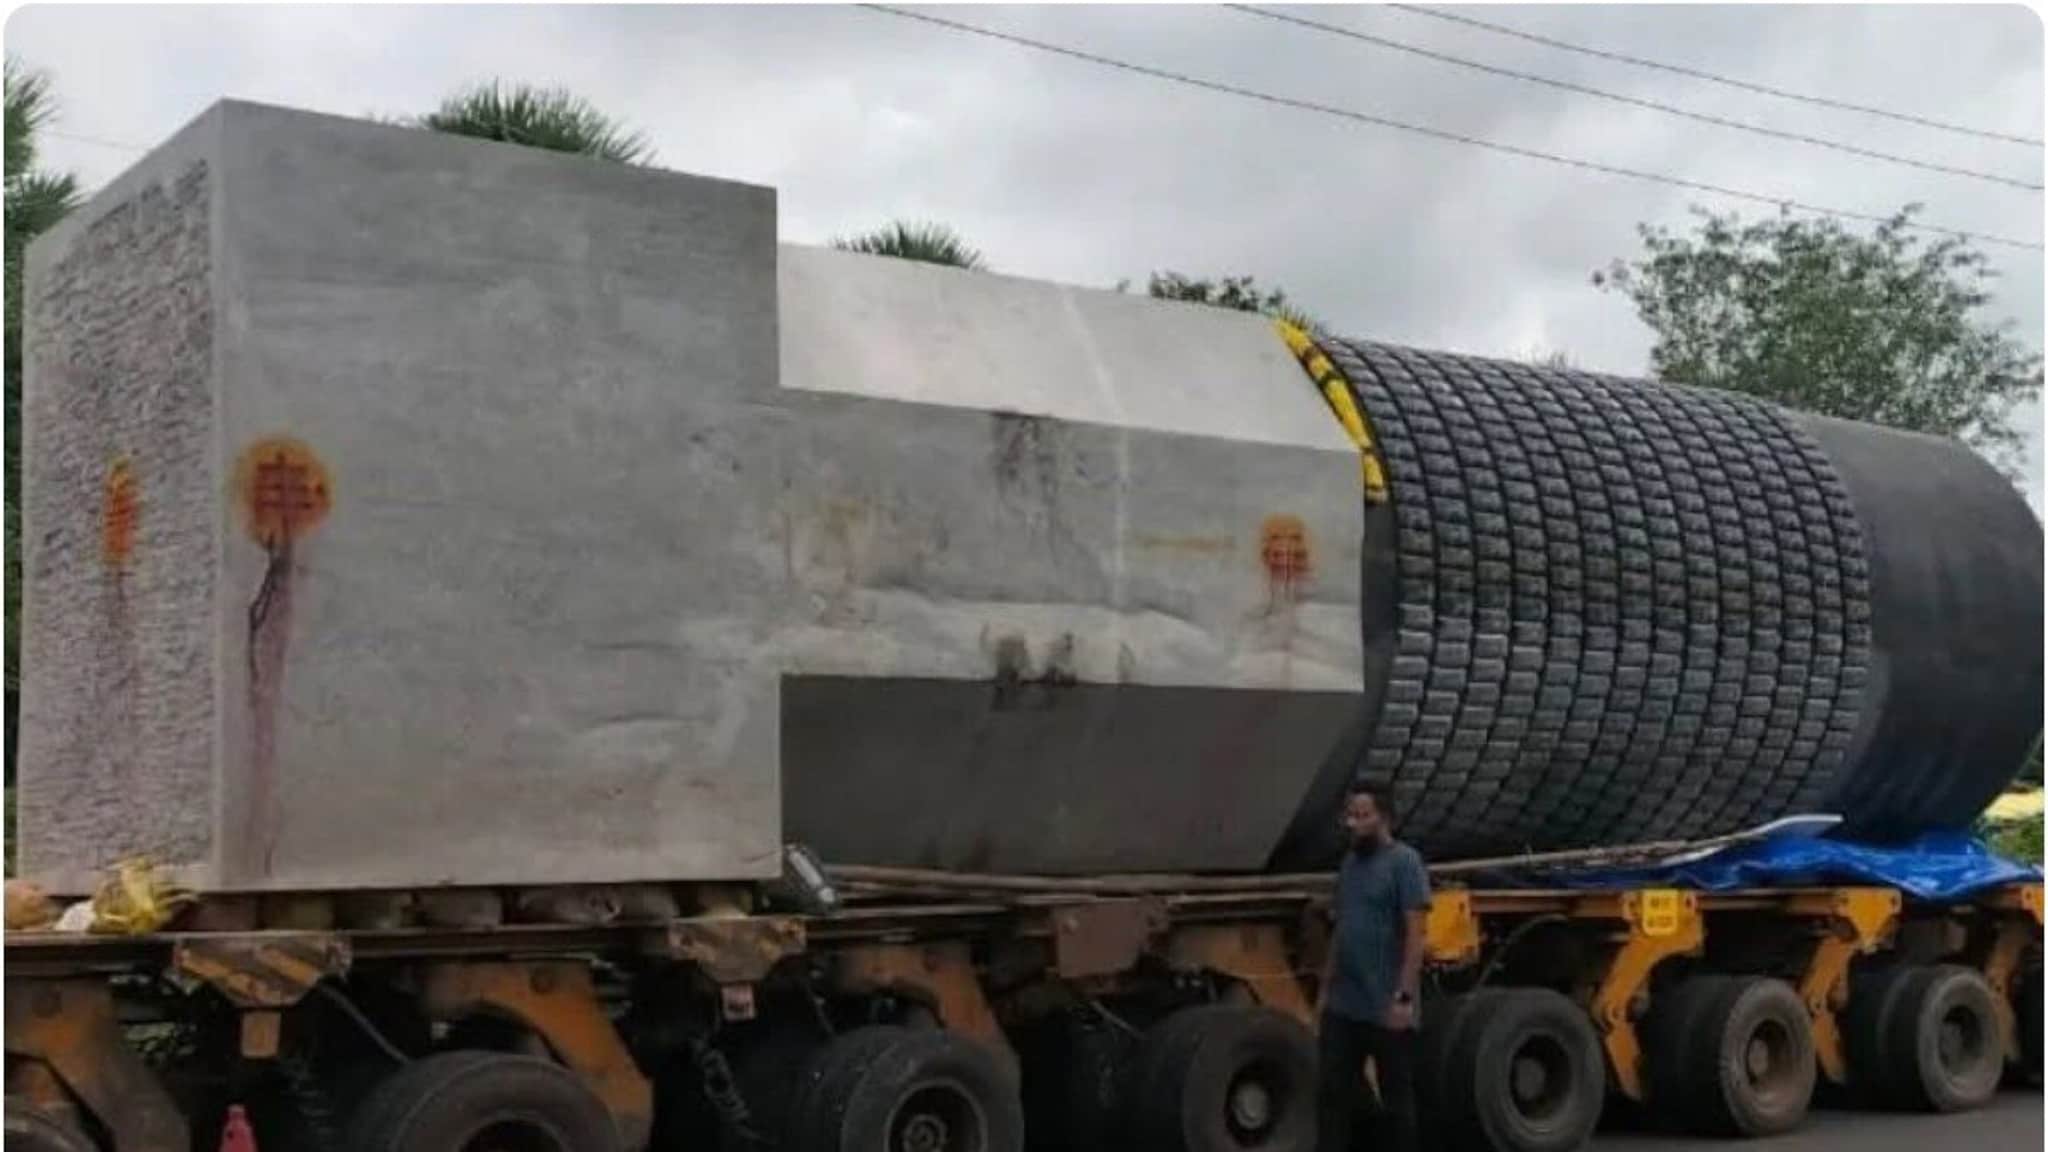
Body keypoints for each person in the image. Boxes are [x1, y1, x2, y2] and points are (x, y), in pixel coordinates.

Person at [1315, 783, 1429, 1152]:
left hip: (1385, 1004)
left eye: (1362, 815)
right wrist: (1324, 988)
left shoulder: (1405, 863)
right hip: (1344, 1004)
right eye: (1350, 815)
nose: (1353, 823)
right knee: (1332, 1093)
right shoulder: (1350, 865)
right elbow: (1343, 928)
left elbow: (1415, 936)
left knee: (1395, 1096)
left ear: (1384, 817)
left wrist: (1404, 997)